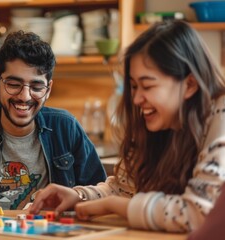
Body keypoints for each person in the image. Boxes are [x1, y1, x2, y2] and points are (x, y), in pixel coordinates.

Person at [29, 20, 225, 233]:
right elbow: (123, 189)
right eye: (133, 86)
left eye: (148, 85)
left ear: (189, 85)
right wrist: (78, 196)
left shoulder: (220, 117)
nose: (137, 98)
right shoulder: (162, 125)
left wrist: (113, 206)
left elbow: (197, 215)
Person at [0, 30, 106, 211]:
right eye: (13, 84)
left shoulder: (66, 127)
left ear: (48, 89)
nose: (25, 96)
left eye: (36, 86)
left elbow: (100, 197)